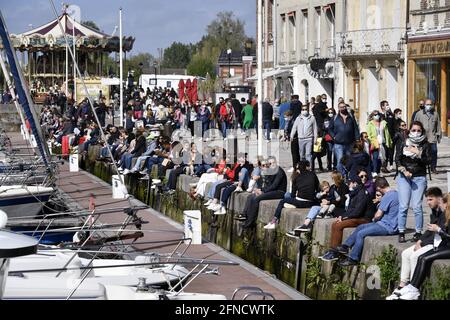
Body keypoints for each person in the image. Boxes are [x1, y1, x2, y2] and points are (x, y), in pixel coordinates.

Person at [386, 188, 447, 300]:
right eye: (427, 200)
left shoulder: (445, 213)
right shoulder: (435, 211)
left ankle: (414, 289)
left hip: (437, 244)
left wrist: (424, 242)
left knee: (415, 256)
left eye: (430, 199)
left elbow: (439, 233)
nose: (428, 203)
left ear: (439, 199)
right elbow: (429, 230)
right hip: (429, 241)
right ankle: (402, 285)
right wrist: (420, 240)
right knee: (405, 253)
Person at [337, 177, 399, 266]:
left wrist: (374, 219)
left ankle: (353, 258)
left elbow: (378, 215)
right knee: (360, 227)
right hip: (387, 224)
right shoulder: (395, 193)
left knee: (361, 234)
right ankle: (345, 246)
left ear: (378, 188)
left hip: (388, 226)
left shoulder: (387, 196)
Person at [315, 174, 374, 260]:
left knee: (339, 225)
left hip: (364, 219)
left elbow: (358, 211)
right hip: (358, 216)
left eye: (350, 183)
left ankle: (335, 253)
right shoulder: (355, 193)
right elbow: (350, 210)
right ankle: (332, 250)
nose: (348, 185)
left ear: (355, 184)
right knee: (335, 224)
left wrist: (344, 218)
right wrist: (342, 216)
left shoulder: (362, 194)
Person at [396, 121, 432, 243]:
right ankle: (401, 231)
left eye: (418, 130)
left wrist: (419, 153)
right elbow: (398, 159)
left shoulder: (425, 144)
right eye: (414, 130)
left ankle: (418, 232)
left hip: (419, 177)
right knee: (403, 206)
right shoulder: (403, 142)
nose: (416, 133)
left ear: (422, 131)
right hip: (404, 176)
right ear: (409, 130)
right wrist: (403, 170)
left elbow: (429, 161)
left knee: (417, 206)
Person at [263, 161, 320, 230]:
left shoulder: (296, 177)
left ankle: (273, 222)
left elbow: (292, 195)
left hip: (300, 202)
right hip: (310, 202)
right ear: (306, 167)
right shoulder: (313, 174)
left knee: (282, 201)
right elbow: (318, 189)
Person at [238, 157, 287, 229]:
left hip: (279, 192)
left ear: (276, 162)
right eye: (270, 163)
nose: (272, 164)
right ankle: (244, 215)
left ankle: (249, 223)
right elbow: (269, 185)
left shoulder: (279, 171)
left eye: (273, 162)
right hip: (272, 191)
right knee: (250, 196)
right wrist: (260, 189)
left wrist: (262, 191)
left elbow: (274, 185)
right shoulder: (270, 171)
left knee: (257, 199)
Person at [328, 102, 360, 176]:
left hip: (350, 143)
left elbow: (355, 128)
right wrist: (334, 136)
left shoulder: (351, 117)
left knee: (349, 160)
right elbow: (330, 129)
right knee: (340, 160)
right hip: (338, 143)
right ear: (338, 108)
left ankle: (349, 174)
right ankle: (342, 175)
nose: (343, 108)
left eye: (344, 107)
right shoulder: (335, 117)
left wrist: (357, 139)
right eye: (341, 107)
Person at [413, 98, 442, 174]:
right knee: (422, 153)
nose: (429, 106)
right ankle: (422, 167)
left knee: (434, 152)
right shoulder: (419, 114)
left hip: (432, 137)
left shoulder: (435, 114)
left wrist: (439, 135)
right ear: (424, 105)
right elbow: (415, 124)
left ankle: (433, 167)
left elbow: (438, 125)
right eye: (427, 104)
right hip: (422, 137)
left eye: (430, 104)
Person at [366, 110, 392, 176]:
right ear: (372, 116)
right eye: (374, 115)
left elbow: (387, 133)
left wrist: (389, 141)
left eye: (377, 114)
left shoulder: (383, 123)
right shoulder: (370, 124)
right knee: (375, 157)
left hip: (382, 142)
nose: (376, 116)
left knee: (381, 158)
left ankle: (378, 171)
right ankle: (374, 171)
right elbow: (368, 133)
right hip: (374, 142)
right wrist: (370, 141)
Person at [379, 101, 396, 172]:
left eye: (388, 105)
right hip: (383, 136)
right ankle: (383, 166)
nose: (388, 106)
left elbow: (394, 122)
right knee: (384, 152)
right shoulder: (380, 115)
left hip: (391, 136)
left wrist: (390, 113)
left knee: (390, 151)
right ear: (382, 107)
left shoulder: (391, 114)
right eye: (386, 105)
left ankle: (388, 165)